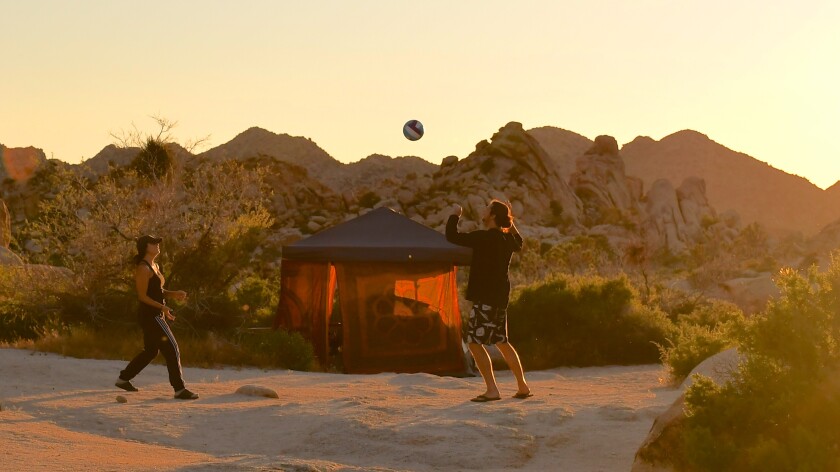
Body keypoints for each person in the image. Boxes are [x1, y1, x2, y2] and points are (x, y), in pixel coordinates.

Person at [446, 200, 532, 402]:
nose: (482, 209)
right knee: (502, 341)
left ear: (492, 215)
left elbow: (452, 236)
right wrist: (509, 222)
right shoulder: (506, 240)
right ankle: (523, 386)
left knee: (474, 342)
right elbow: (519, 241)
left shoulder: (484, 238)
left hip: (486, 298)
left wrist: (454, 214)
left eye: (486, 208)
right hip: (500, 297)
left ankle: (492, 390)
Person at [115, 235, 199, 400]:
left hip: (156, 314)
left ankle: (123, 379)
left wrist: (173, 294)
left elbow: (158, 292)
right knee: (172, 348)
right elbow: (142, 296)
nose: (157, 245)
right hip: (150, 316)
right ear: (146, 247)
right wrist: (162, 307)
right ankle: (180, 389)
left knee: (151, 351)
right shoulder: (143, 268)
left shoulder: (155, 266)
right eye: (154, 243)